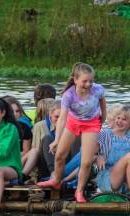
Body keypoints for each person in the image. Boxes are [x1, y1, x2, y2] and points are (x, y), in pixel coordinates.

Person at [37, 62, 106, 203]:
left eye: (91, 81)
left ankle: (79, 192)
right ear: (75, 80)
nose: (88, 85)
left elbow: (103, 107)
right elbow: (62, 118)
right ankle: (56, 179)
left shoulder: (98, 90)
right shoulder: (68, 95)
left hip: (91, 124)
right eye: (84, 81)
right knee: (59, 155)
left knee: (86, 162)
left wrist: (101, 121)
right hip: (73, 122)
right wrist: (56, 139)